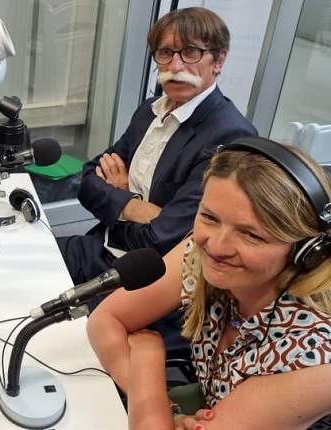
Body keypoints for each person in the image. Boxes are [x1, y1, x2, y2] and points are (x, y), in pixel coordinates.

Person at [87, 137, 331, 429]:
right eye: (209, 217)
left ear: (306, 250)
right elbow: (105, 319)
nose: (216, 245)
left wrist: (147, 357)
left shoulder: (315, 357)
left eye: (251, 235)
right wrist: (171, 412)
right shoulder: (205, 255)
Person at [57, 7, 257, 285]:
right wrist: (137, 208)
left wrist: (120, 199)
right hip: (99, 247)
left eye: (191, 52)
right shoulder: (149, 110)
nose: (176, 67)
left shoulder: (231, 136)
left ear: (219, 60)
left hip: (148, 276)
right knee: (14, 262)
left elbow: (164, 239)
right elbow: (88, 181)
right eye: (165, 53)